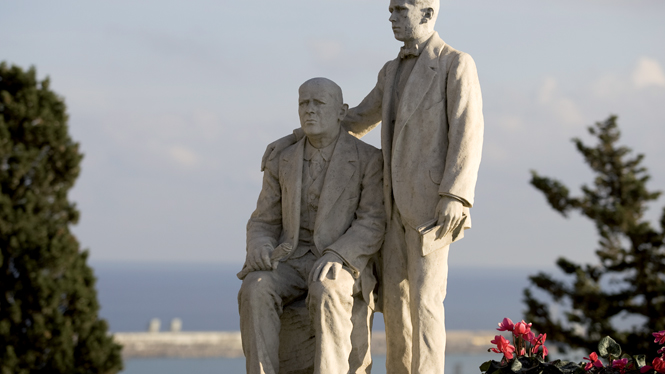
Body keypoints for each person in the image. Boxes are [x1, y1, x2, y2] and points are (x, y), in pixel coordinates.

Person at [261, 1, 484, 372]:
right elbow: (354, 119)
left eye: (401, 9)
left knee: (426, 301)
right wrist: (295, 136)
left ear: (427, 14)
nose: (392, 16)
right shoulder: (390, 71)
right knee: (395, 304)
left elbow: (468, 131)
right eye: (391, 9)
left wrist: (456, 195)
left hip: (432, 207)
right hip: (390, 204)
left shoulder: (456, 64)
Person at [238, 77, 386, 374]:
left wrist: (338, 254)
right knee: (254, 288)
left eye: (319, 103)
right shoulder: (282, 160)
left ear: (342, 111)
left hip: (342, 261)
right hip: (291, 259)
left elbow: (372, 220)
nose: (309, 110)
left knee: (327, 289)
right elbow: (263, 220)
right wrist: (260, 245)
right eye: (303, 103)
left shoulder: (368, 159)